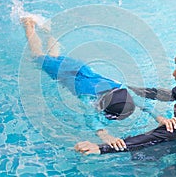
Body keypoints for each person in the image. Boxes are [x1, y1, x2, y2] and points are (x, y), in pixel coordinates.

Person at [75, 36, 176, 154]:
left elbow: (154, 137)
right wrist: (128, 88)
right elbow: (168, 94)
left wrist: (100, 148)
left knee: (145, 162)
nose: (174, 73)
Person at [21, 17, 136, 146]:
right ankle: (28, 23)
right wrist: (104, 135)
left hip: (81, 68)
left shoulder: (118, 86)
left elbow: (139, 97)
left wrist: (158, 117)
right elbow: (90, 118)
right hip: (63, 73)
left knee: (55, 57)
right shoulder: (87, 96)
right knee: (36, 55)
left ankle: (48, 31)